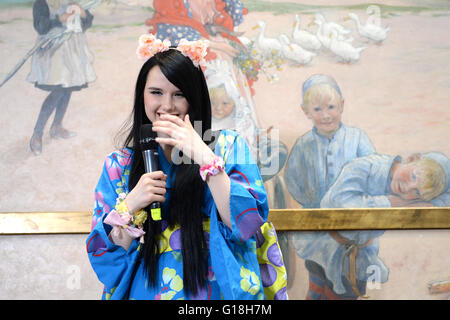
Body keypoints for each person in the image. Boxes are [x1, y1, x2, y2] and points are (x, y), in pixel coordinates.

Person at [86, 35, 287, 300]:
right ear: (141, 95)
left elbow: (247, 225)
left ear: (194, 99)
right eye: (156, 92)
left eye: (179, 94)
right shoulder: (118, 164)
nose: (167, 106)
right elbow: (107, 259)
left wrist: (204, 157)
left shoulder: (228, 146)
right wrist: (131, 203)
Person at [282, 74, 377, 299]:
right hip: (318, 230)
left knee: (347, 281)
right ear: (305, 110)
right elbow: (293, 180)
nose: (325, 115)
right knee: (318, 274)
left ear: (342, 105)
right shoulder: (304, 145)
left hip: (353, 227)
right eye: (317, 109)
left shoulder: (357, 138)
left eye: (331, 107)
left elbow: (373, 174)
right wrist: (311, 204)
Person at [27, 0, 96, 155]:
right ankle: (37, 134)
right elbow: (40, 26)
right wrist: (60, 19)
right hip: (54, 54)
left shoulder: (71, 1)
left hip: (71, 51)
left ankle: (56, 126)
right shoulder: (42, 3)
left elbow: (86, 22)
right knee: (58, 91)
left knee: (68, 89)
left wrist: (82, 12)